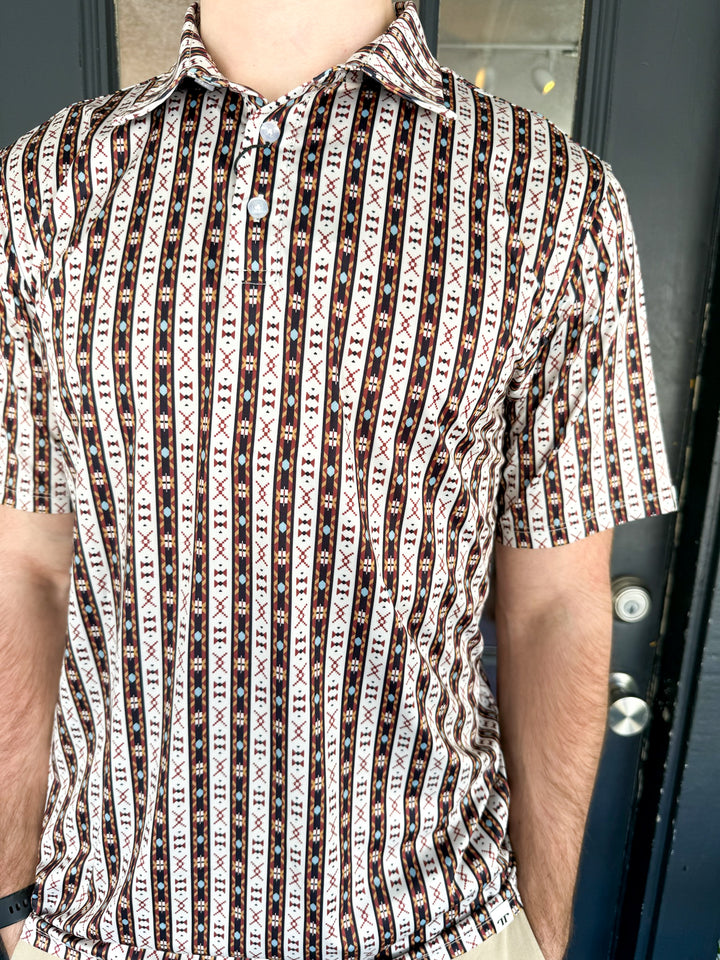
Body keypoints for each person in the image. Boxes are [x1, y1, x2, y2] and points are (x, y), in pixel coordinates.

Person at [0, 1, 678, 959]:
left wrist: (544, 931)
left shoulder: (553, 199)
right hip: (101, 923)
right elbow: (23, 571)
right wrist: (11, 903)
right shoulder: (45, 186)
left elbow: (556, 604)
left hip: (433, 924)